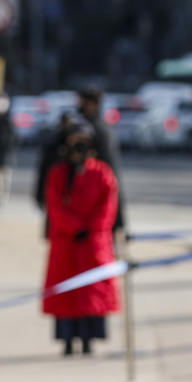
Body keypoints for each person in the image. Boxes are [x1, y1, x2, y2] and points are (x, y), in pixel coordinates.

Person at [42, 118, 121, 354]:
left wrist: (91, 228)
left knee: (91, 292)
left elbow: (108, 206)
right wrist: (75, 227)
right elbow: (54, 206)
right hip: (67, 242)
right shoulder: (58, 173)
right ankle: (67, 341)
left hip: (93, 243)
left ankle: (89, 340)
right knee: (67, 293)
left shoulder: (103, 173)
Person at [35, 86, 125, 233]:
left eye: (83, 102)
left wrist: (117, 223)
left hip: (91, 212)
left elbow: (109, 179)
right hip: (72, 212)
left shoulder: (98, 131)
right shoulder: (79, 128)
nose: (80, 107)